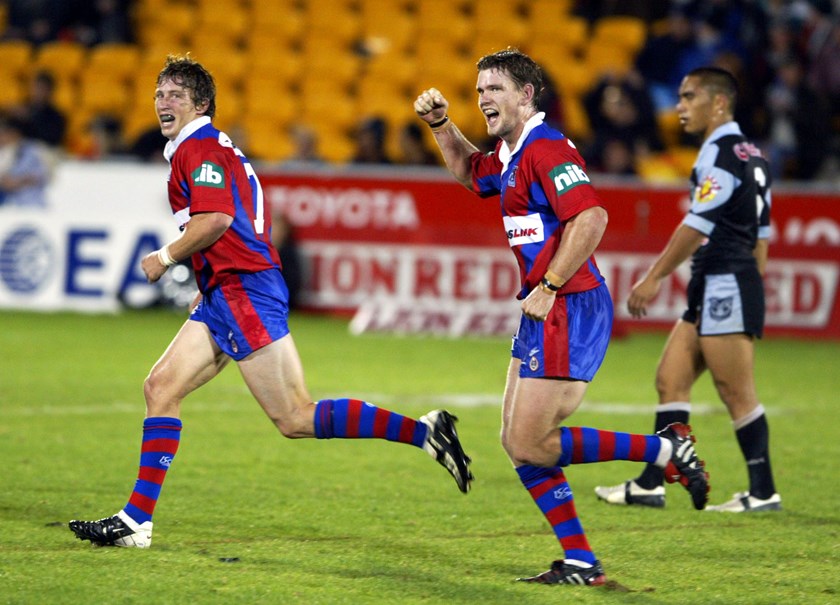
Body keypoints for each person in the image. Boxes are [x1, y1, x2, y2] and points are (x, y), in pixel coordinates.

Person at [68, 54, 473, 549]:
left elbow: (215, 219)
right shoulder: (200, 148)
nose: (164, 102)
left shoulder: (199, 149)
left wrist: (166, 257)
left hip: (244, 292)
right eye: (159, 94)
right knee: (160, 387)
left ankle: (423, 432)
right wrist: (207, 274)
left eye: (176, 94)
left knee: (294, 418)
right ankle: (136, 522)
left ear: (202, 104)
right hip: (227, 289)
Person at [413, 48, 709, 586]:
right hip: (543, 307)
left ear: (526, 94)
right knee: (516, 440)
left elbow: (592, 216)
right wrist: (440, 124)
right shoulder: (511, 153)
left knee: (532, 441)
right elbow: (468, 171)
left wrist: (549, 285)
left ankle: (667, 449)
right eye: (479, 90)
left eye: (494, 89)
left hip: (567, 305)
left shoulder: (545, 149)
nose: (483, 99)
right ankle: (581, 562)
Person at [595, 67, 779, 513]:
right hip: (723, 281)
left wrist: (655, 276)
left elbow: (697, 224)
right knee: (670, 380)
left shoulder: (717, 153)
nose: (679, 106)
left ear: (719, 103)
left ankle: (762, 491)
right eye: (678, 96)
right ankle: (650, 483)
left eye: (689, 96)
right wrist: (752, 281)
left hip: (725, 282)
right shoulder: (752, 154)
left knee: (735, 391)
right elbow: (763, 233)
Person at [0, 113, 51, 208]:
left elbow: (42, 175)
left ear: (15, 134)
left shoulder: (32, 150)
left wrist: (17, 182)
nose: (1, 137)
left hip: (30, 201)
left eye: (4, 133)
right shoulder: (4, 151)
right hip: (8, 203)